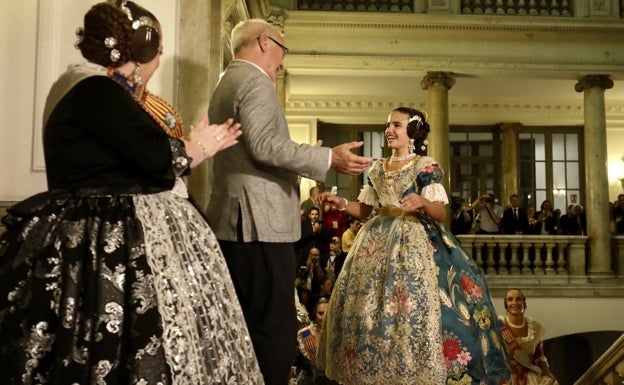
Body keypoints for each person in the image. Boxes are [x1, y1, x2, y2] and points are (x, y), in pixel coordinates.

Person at [0, 2, 263, 384]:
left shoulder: (81, 86)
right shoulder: (97, 89)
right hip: (102, 242)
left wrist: (188, 147)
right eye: (157, 54)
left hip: (85, 231)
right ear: (140, 56)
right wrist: (198, 147)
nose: (157, 63)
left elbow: (129, 158)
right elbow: (156, 159)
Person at [205, 18, 372, 385]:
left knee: (242, 327)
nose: (282, 60)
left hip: (235, 221)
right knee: (273, 333)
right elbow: (265, 146)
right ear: (264, 41)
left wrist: (301, 155)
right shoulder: (254, 81)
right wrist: (328, 158)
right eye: (282, 49)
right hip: (258, 224)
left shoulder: (226, 81)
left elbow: (253, 147)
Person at [316, 107, 510, 384]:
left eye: (396, 125)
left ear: (412, 132)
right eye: (388, 125)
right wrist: (343, 204)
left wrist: (422, 203)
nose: (389, 130)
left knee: (410, 309)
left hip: (414, 241)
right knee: (371, 307)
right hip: (375, 243)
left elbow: (441, 214)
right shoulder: (376, 168)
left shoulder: (425, 167)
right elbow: (368, 210)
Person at [499, 289, 559, 385]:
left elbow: (539, 355)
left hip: (530, 377)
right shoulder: (499, 326)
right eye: (510, 299)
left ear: (524, 303)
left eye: (518, 299)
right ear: (506, 304)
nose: (514, 303)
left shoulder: (535, 328)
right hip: (506, 377)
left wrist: (547, 372)